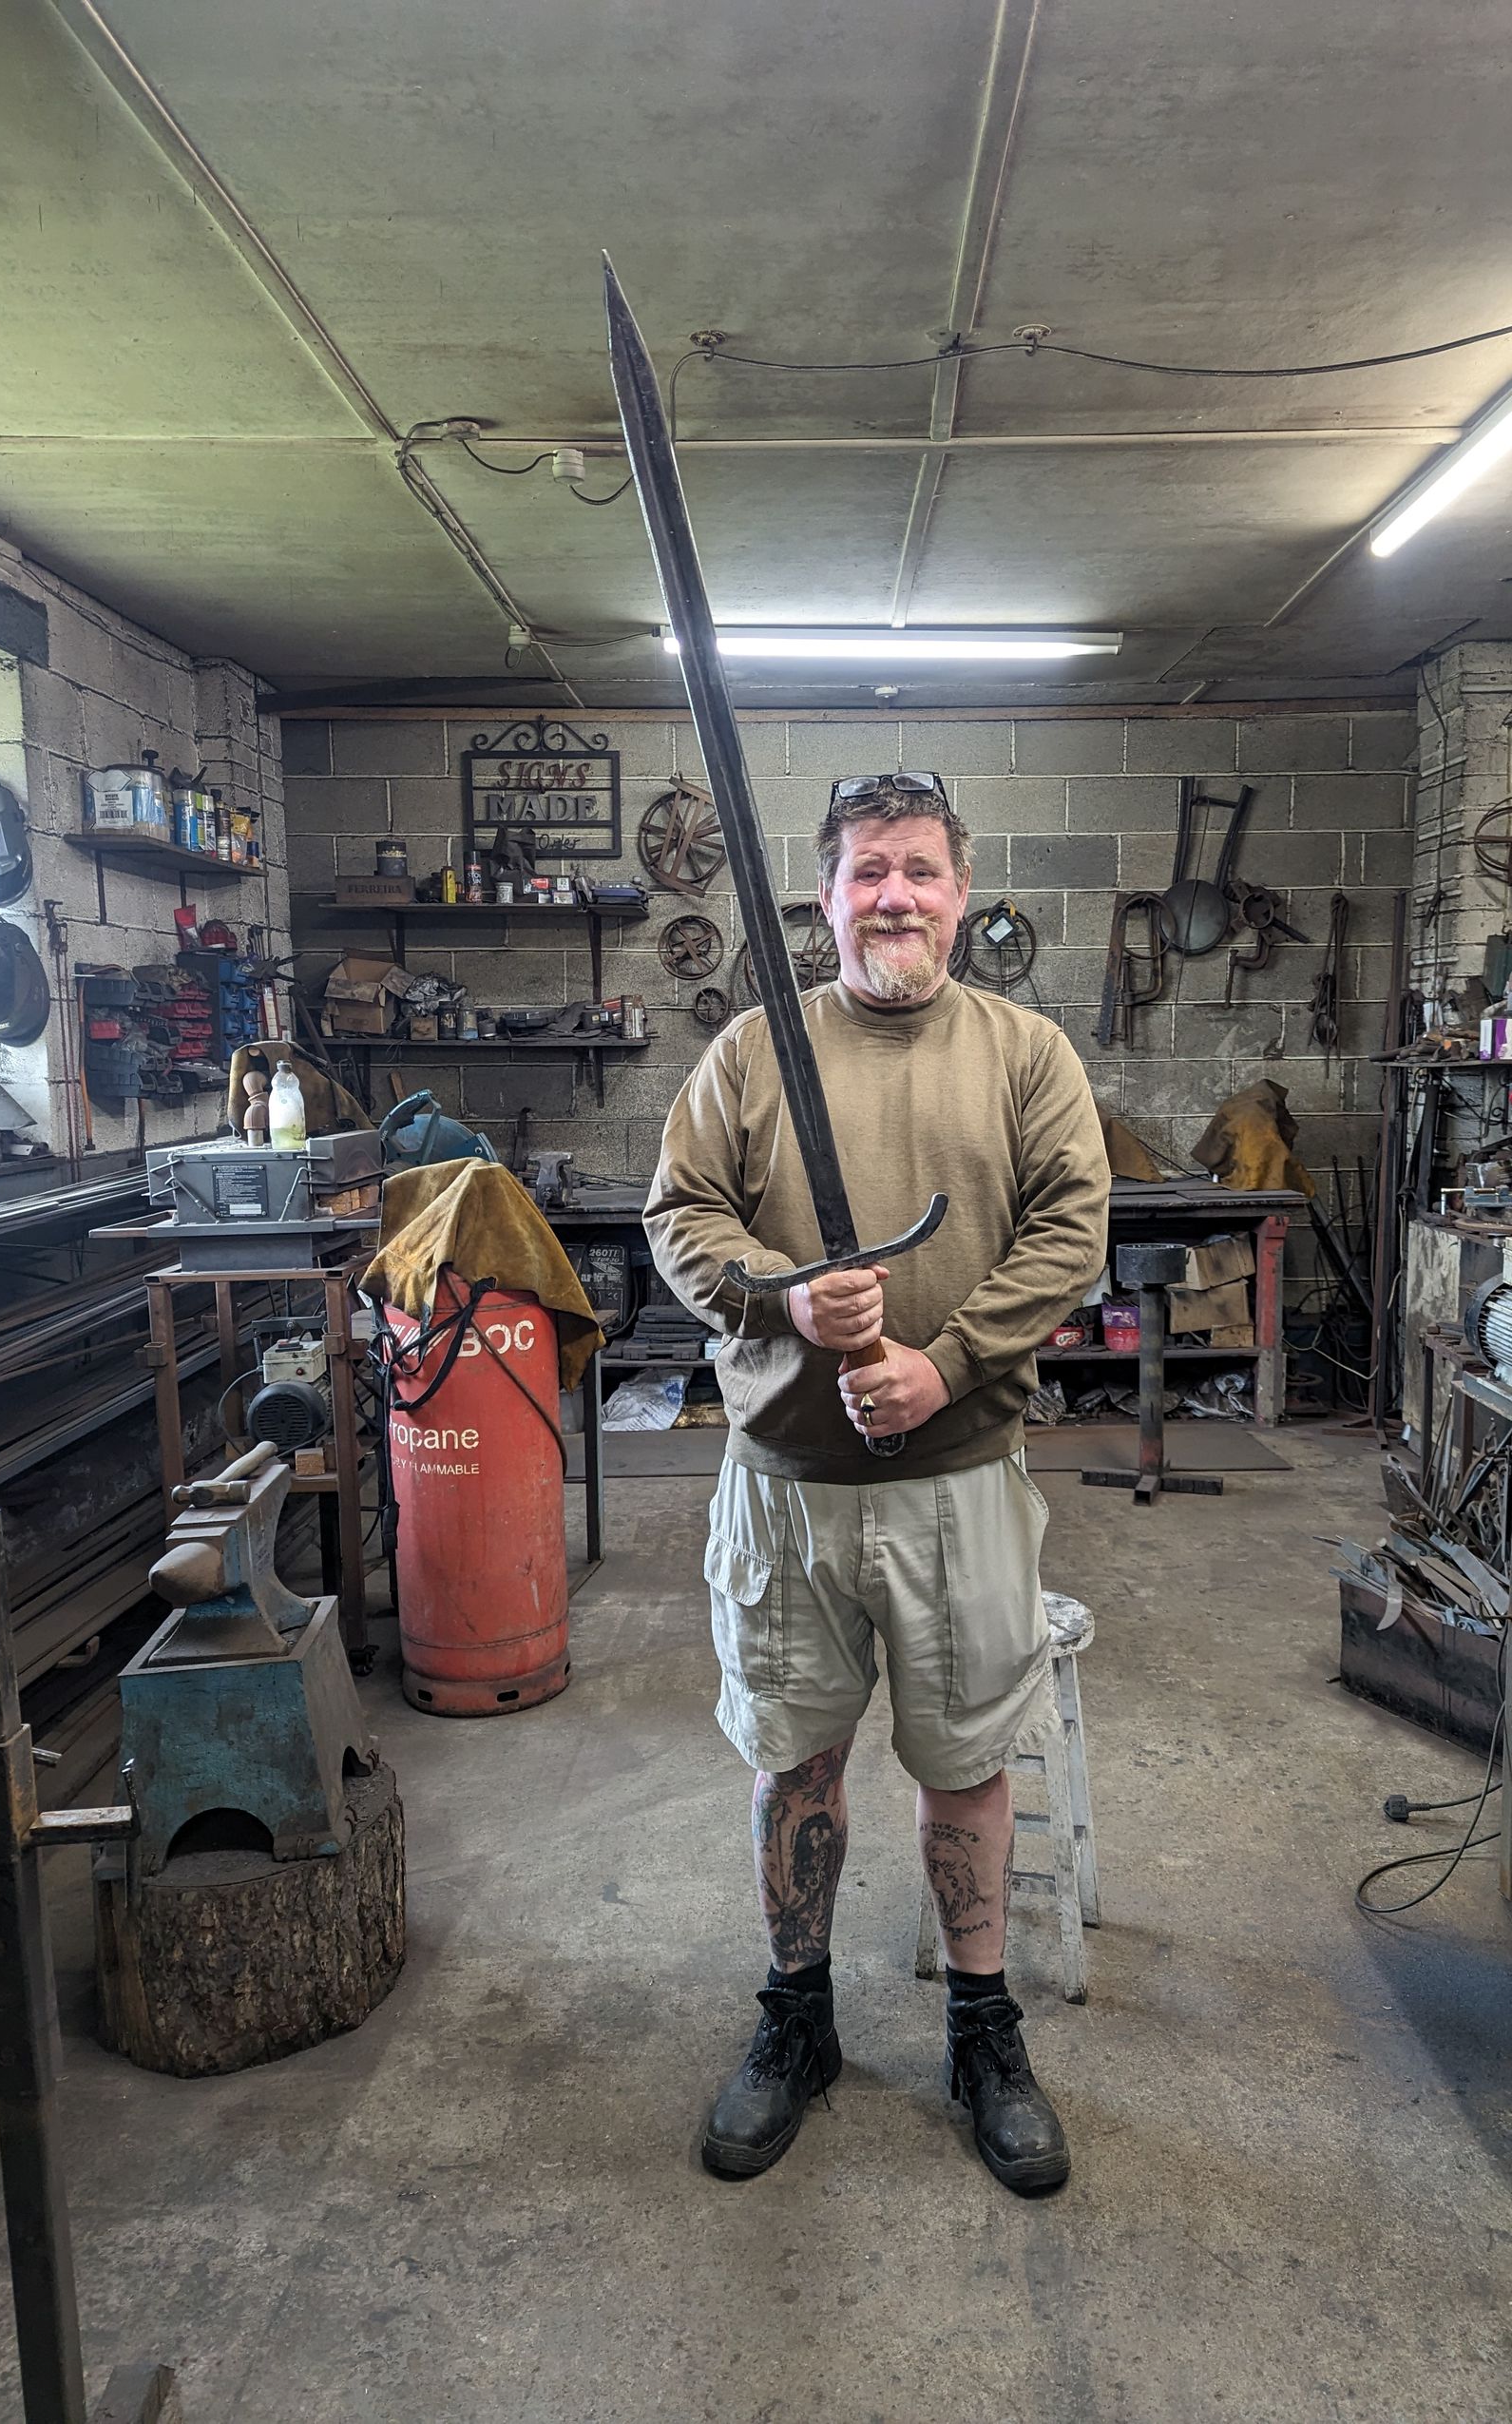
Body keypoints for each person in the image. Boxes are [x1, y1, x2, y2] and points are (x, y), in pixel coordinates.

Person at [645, 769, 1111, 2194]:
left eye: (919, 869)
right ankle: (799, 2018)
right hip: (787, 1482)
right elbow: (679, 1215)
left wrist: (948, 1360)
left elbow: (1071, 1227)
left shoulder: (1025, 1053)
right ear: (828, 897)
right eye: (866, 871)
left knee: (966, 1762)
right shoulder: (747, 1054)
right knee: (801, 1759)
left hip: (959, 1475)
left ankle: (982, 2029)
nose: (894, 894)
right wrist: (780, 1299)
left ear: (960, 894)